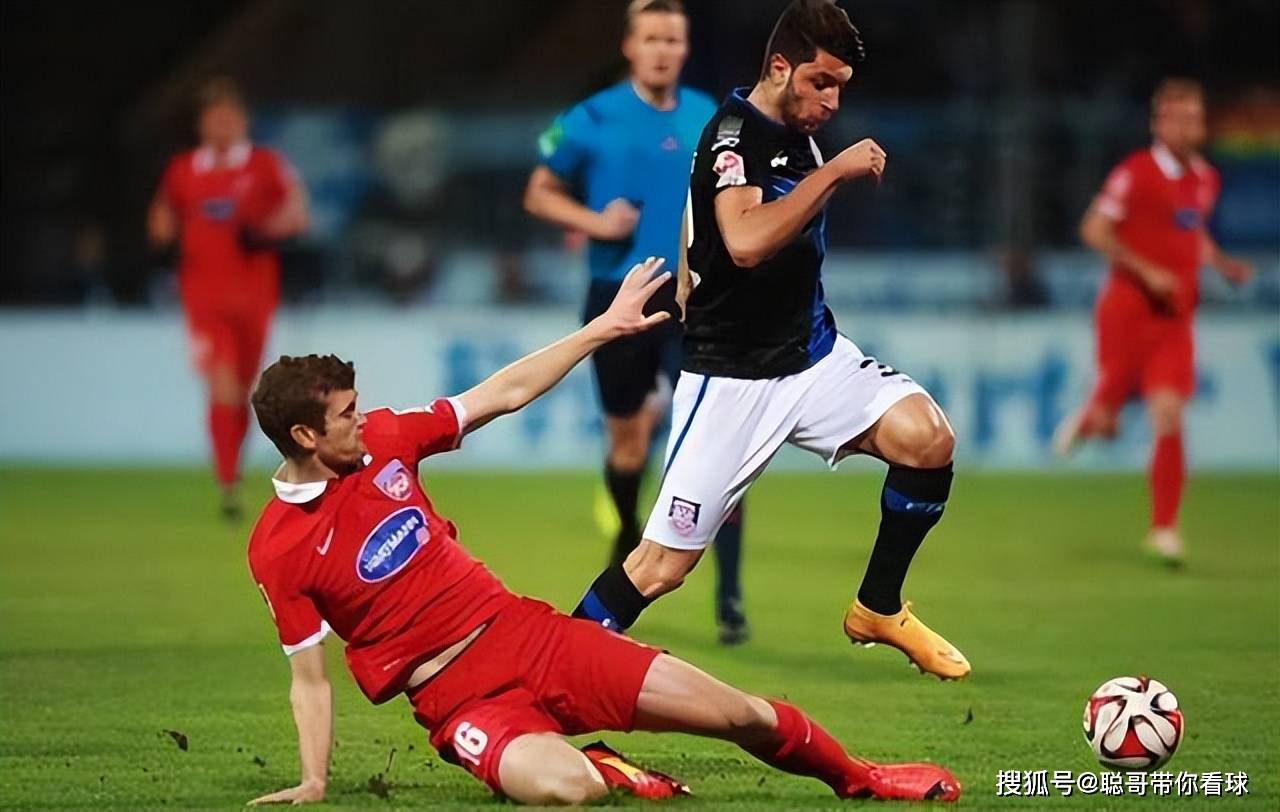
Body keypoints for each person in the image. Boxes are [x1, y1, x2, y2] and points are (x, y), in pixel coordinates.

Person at [243, 259, 960, 806]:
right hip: (460, 702)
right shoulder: (279, 547)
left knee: (737, 713)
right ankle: (602, 766)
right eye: (347, 417)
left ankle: (862, 781)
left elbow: (502, 394)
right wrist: (312, 781)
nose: (364, 421)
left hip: (533, 638)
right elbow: (309, 679)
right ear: (304, 434)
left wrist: (599, 329)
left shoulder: (388, 441)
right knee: (567, 789)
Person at [570, 0, 969, 681]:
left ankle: (878, 606)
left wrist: (690, 270)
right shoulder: (733, 134)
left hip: (813, 358)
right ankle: (549, 668)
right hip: (733, 379)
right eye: (821, 82)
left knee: (928, 438)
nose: (832, 100)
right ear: (780, 68)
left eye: (841, 86)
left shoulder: (796, 133)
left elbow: (708, 224)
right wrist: (836, 172)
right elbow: (748, 241)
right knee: (661, 567)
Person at [523, 0, 750, 644]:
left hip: (699, 299)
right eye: (650, 38)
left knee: (723, 440)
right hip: (617, 296)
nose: (661, 49)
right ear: (630, 47)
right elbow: (538, 189)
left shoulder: (714, 116)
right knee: (626, 444)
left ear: (683, 49)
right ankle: (625, 535)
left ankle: (730, 597)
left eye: (672, 39)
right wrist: (596, 223)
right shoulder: (590, 118)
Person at [1052, 78, 1254, 564]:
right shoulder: (1135, 173)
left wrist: (1219, 262)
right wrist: (1147, 272)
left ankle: (1164, 527)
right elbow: (1094, 229)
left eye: (1195, 118)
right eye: (1178, 117)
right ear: (1159, 123)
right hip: (1128, 310)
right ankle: (1096, 412)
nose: (1189, 127)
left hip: (1176, 320)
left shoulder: (1205, 178)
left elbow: (1190, 229)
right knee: (1108, 422)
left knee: (1169, 415)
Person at [148, 77, 309, 519]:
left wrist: (267, 231)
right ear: (202, 125)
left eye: (228, 118)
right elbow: (161, 217)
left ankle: (232, 468)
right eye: (213, 118)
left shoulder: (264, 165)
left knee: (242, 390)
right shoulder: (184, 170)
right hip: (203, 298)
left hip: (255, 298)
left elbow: (297, 213)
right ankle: (226, 481)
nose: (221, 126)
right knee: (221, 384)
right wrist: (164, 230)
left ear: (242, 122)